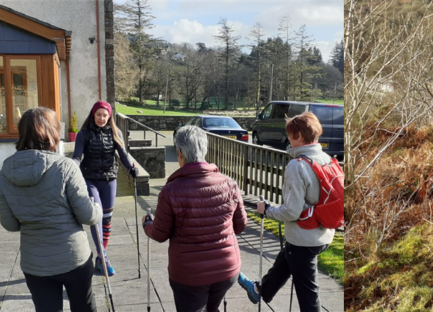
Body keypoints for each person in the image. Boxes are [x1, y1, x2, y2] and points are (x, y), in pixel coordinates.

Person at [0, 107, 102, 312]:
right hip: (74, 257)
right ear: (51, 132)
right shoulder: (65, 167)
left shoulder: (6, 169)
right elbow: (88, 215)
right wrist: (97, 207)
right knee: (84, 306)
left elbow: (9, 224)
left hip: (34, 262)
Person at [237, 112, 335, 312]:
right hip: (323, 233)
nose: (288, 139)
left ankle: (260, 289)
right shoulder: (327, 159)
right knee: (287, 257)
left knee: (309, 295)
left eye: (290, 134)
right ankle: (260, 289)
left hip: (304, 238)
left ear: (299, 136)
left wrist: (268, 210)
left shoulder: (297, 166)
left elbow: (291, 212)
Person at [142, 126, 247, 312]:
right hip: (226, 269)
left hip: (189, 275)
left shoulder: (171, 191)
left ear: (180, 152)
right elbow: (240, 226)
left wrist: (147, 224)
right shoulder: (229, 183)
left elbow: (159, 234)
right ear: (204, 149)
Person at [72, 100, 138, 276]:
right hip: (90, 180)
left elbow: (123, 155)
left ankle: (100, 258)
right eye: (98, 114)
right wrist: (71, 167)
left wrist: (132, 168)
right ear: (93, 115)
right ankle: (105, 257)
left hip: (109, 179)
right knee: (97, 216)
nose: (102, 118)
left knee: (107, 219)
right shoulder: (83, 134)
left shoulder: (115, 133)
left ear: (109, 117)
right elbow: (77, 156)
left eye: (105, 115)